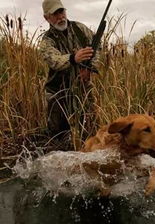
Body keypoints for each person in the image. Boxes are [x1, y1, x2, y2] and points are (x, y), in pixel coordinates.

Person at [40, 0, 99, 144]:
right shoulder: (47, 40)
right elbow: (54, 61)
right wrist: (73, 58)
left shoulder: (80, 28)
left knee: (88, 129)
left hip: (82, 89)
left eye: (61, 12)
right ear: (47, 18)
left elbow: (97, 47)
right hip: (58, 92)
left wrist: (89, 69)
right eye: (55, 14)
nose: (60, 17)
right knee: (57, 137)